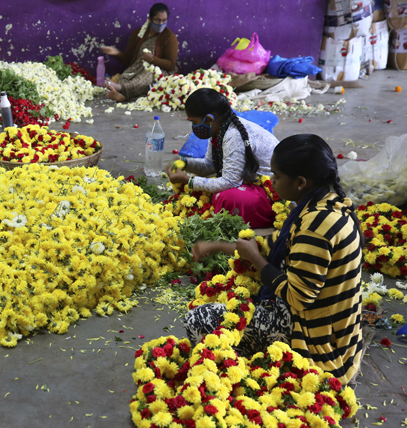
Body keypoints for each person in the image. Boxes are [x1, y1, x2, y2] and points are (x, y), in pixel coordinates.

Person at [185, 134, 365, 384]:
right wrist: (218, 246)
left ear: (300, 182)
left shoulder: (316, 226)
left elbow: (298, 298)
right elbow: (279, 243)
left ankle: (243, 371)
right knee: (241, 294)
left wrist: (258, 262)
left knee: (198, 319)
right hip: (333, 327)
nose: (271, 180)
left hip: (318, 341)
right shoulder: (325, 203)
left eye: (277, 176)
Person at [165, 88, 280, 228]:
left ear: (209, 119)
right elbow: (210, 165)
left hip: (272, 189)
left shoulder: (233, 135)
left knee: (225, 198)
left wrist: (188, 180)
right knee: (200, 193)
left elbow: (230, 182)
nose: (193, 127)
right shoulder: (218, 128)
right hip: (245, 180)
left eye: (194, 122)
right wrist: (183, 163)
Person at [99, 3, 178, 102]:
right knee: (125, 77)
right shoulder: (138, 34)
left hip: (157, 70)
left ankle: (120, 89)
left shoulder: (169, 37)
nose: (161, 23)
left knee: (146, 78)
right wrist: (117, 53)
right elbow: (128, 60)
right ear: (150, 19)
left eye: (164, 20)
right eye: (157, 20)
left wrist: (152, 59)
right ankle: (122, 94)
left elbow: (171, 65)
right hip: (137, 68)